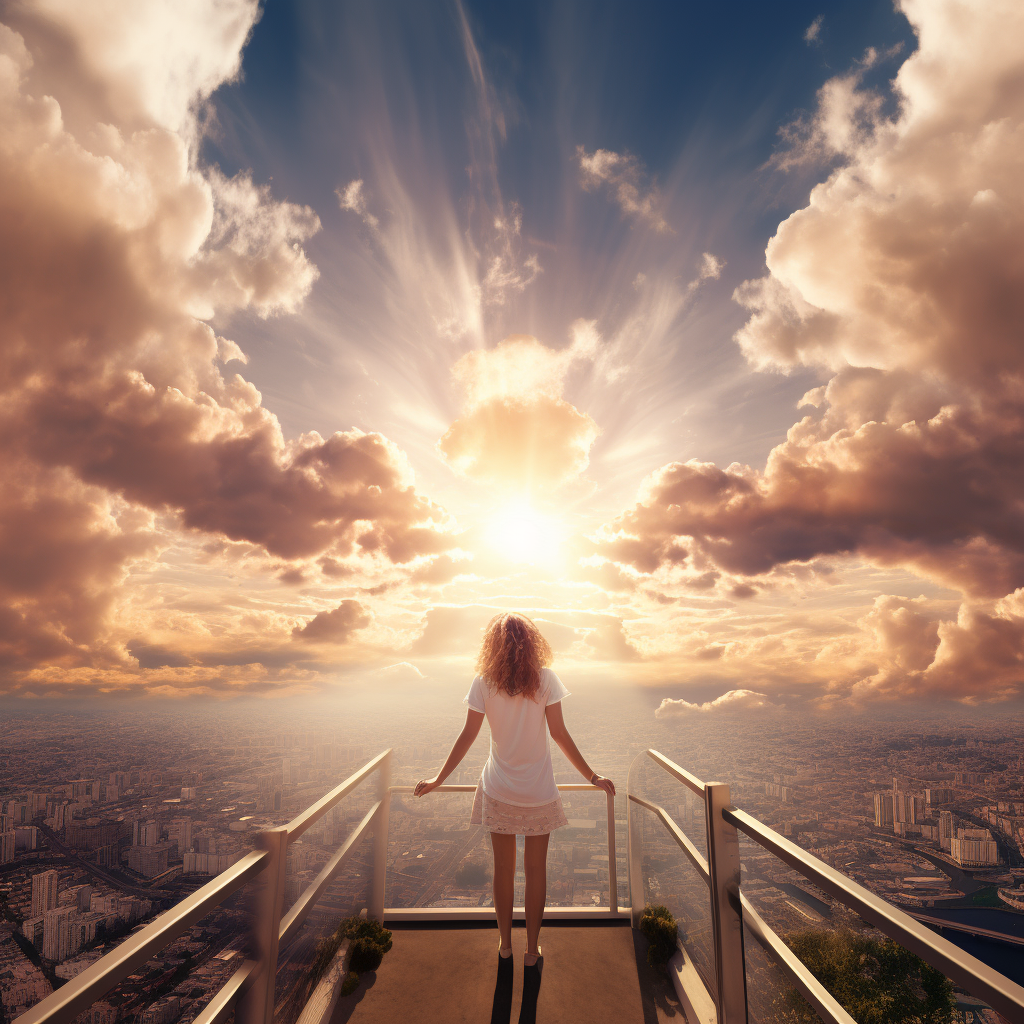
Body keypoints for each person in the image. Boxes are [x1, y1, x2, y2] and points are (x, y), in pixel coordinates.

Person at [414, 612, 616, 973]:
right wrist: (592, 775)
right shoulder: (547, 680)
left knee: (503, 871)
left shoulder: (483, 682)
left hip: (498, 789)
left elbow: (468, 736)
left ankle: (505, 945)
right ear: (532, 642)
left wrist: (439, 779)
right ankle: (532, 949)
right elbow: (559, 733)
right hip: (538, 791)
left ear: (492, 646)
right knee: (536, 871)